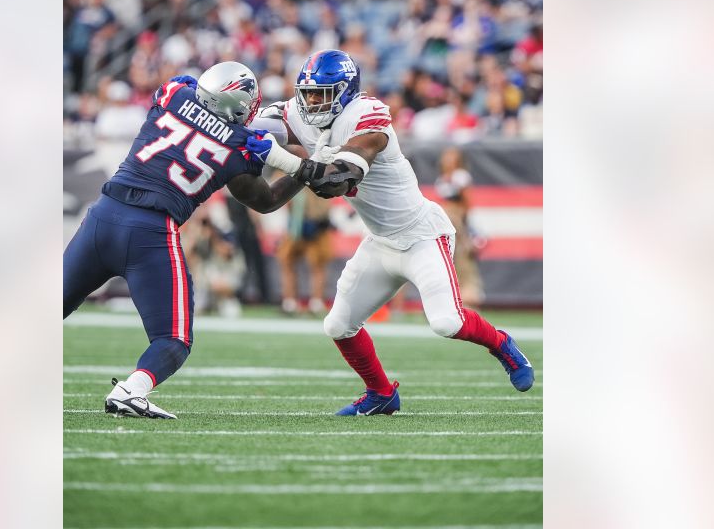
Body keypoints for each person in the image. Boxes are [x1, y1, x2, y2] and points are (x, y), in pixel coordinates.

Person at [252, 49, 535, 416]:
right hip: (380, 241)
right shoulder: (298, 113)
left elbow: (337, 180)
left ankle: (501, 344)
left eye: (323, 93)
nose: (313, 102)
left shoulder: (369, 118)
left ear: (346, 92)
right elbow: (254, 128)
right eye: (308, 93)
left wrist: (276, 156)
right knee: (338, 325)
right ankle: (381, 394)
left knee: (447, 322)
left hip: (421, 236)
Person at [63, 62, 317, 419]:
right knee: (174, 340)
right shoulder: (243, 146)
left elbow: (185, 93)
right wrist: (311, 164)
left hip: (102, 217)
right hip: (151, 233)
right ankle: (132, 389)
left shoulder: (172, 95)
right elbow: (265, 199)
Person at [435, 147, 484, 307]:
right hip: (446, 220)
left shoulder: (461, 177)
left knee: (463, 259)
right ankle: (450, 299)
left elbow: (466, 203)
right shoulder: (442, 179)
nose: (447, 159)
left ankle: (470, 296)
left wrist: (468, 228)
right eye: (446, 156)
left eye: (451, 156)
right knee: (448, 259)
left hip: (458, 220)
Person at [278, 191, 334, 315]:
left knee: (317, 265)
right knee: (289, 263)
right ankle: (292, 303)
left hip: (311, 226)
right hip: (298, 226)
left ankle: (313, 303)